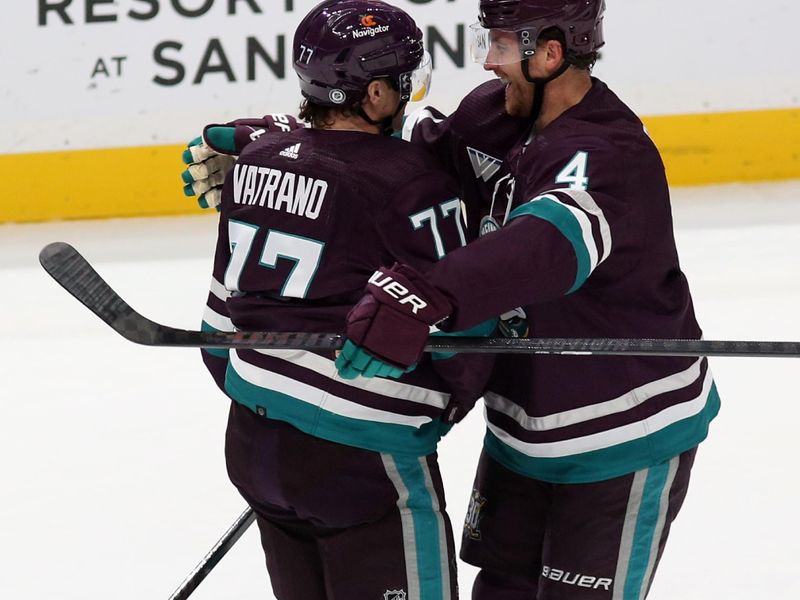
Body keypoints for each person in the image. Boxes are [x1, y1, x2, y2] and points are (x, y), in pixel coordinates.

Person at [334, 1, 721, 599]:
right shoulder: (493, 114)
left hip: (620, 434)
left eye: (503, 46)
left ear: (552, 52)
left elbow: (545, 244)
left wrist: (429, 292)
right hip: (521, 430)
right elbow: (401, 152)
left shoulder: (607, 151)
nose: (488, 63)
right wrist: (277, 142)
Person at [199, 1, 494, 599]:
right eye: (405, 80)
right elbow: (464, 331)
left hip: (252, 439)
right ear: (378, 93)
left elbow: (217, 326)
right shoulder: (410, 182)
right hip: (360, 457)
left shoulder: (250, 161)